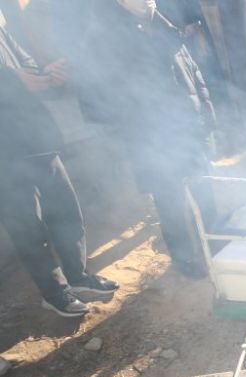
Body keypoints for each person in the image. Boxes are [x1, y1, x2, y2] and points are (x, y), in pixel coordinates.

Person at [80, 0, 217, 279]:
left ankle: (216, 245)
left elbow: (194, 73)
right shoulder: (103, 36)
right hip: (152, 140)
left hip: (189, 130)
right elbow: (95, 99)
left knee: (205, 190)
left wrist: (208, 117)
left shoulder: (164, 25)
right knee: (170, 202)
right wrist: (134, 126)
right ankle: (183, 258)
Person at [0, 24, 118, 317]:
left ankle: (77, 278)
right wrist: (14, 80)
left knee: (66, 208)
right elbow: (12, 75)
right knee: (27, 225)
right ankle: (54, 293)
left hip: (35, 134)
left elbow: (23, 60)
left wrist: (44, 74)